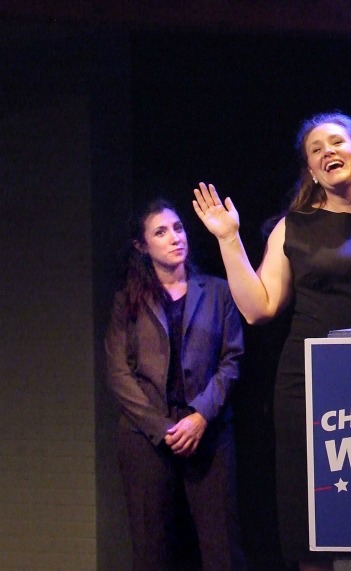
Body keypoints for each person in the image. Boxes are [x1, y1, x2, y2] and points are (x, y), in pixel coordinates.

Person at [192, 112, 351, 571]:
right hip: (309, 384)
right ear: (312, 172)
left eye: (336, 142)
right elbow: (259, 308)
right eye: (315, 151)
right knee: (311, 519)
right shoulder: (292, 226)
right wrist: (229, 239)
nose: (327, 153)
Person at [104, 198, 246, 570]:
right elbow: (119, 374)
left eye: (179, 228)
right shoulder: (127, 301)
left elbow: (231, 361)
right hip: (146, 438)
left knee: (223, 550)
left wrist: (200, 415)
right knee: (151, 551)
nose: (174, 238)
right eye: (161, 232)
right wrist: (162, 427)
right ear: (142, 245)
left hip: (209, 432)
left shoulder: (218, 291)